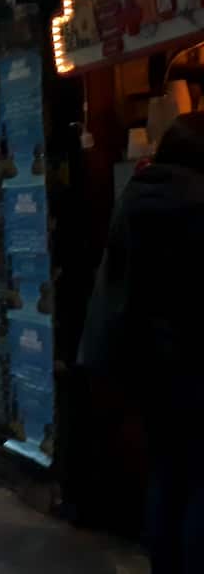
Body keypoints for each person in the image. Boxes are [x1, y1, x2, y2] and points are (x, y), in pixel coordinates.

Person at [81, 112, 204, 573]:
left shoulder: (134, 197)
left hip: (145, 365)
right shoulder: (197, 204)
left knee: (169, 473)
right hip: (191, 362)